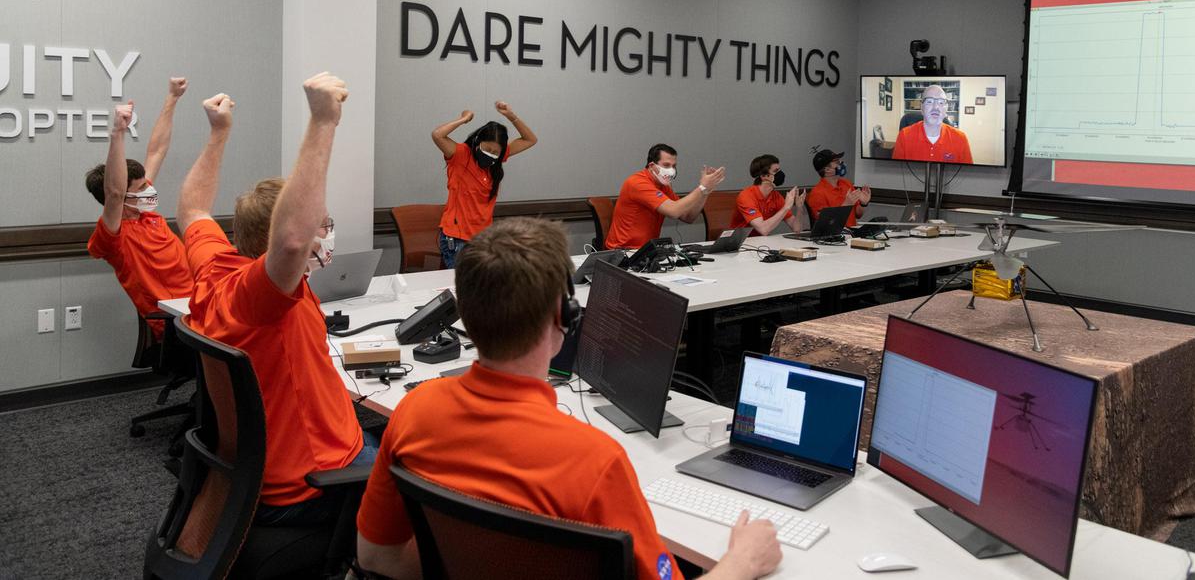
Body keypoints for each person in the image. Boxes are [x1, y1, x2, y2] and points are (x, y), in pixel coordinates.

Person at [355, 217, 783, 580]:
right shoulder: (596, 461)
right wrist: (741, 562)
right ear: (564, 318)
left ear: (464, 313)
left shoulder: (415, 411)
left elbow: (377, 557)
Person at [177, 73, 376, 526]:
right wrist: (323, 121)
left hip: (263, 466)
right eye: (321, 224)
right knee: (435, 474)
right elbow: (291, 241)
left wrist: (218, 133)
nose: (324, 233)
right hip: (314, 481)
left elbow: (192, 209)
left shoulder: (215, 269)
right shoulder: (259, 297)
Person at [85, 77, 194, 340]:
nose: (149, 190)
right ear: (123, 199)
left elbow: (157, 150)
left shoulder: (144, 212)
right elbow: (114, 193)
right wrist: (118, 132)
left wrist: (172, 98)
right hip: (177, 325)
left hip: (200, 303)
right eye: (141, 187)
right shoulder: (114, 237)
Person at [430, 101, 537, 268]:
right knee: (466, 281)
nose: (490, 155)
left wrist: (512, 116)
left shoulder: (496, 161)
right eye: (487, 149)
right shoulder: (461, 155)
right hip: (457, 238)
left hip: (483, 239)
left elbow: (530, 139)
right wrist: (463, 119)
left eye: (495, 152)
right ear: (478, 142)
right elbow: (437, 135)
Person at [604, 144, 726, 249]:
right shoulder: (637, 183)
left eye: (674, 166)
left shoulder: (663, 185)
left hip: (646, 250)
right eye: (666, 165)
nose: (671, 170)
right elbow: (673, 211)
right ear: (652, 166)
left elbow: (688, 216)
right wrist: (702, 187)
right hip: (624, 251)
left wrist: (705, 192)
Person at [892, 84, 973, 164]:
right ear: (922, 108)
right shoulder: (904, 136)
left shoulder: (960, 139)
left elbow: (966, 172)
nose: (935, 107)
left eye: (941, 102)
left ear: (946, 109)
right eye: (929, 101)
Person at [730, 154, 805, 236]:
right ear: (763, 176)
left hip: (761, 241)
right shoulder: (746, 196)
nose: (780, 174)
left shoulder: (776, 196)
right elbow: (763, 230)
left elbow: (797, 229)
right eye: (776, 171)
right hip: (741, 241)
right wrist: (786, 207)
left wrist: (799, 208)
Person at [806, 149, 872, 228]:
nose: (841, 163)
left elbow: (858, 214)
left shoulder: (847, 184)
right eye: (837, 162)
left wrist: (863, 204)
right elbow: (826, 224)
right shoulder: (817, 193)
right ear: (827, 170)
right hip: (834, 234)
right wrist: (845, 205)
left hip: (851, 232)